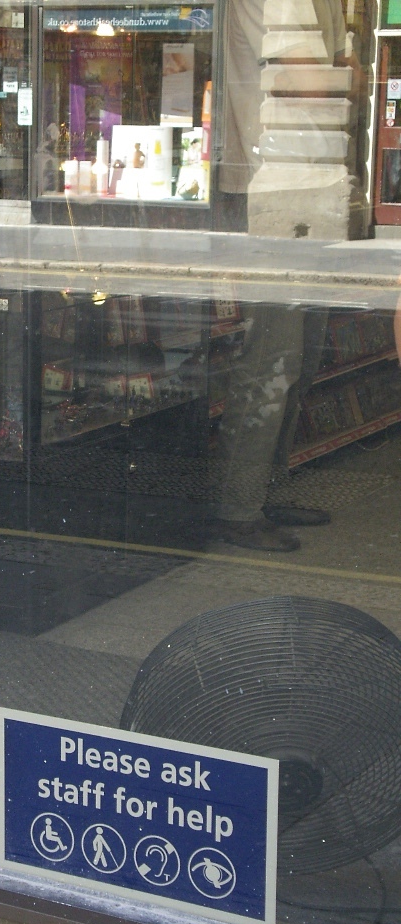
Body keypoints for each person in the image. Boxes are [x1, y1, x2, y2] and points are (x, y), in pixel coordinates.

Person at [212, 0, 350, 551]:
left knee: (302, 349)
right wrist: (344, 75)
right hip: (272, 183)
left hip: (304, 181)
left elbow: (327, 76)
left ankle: (262, 493)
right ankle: (238, 505)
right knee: (277, 352)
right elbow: (312, 80)